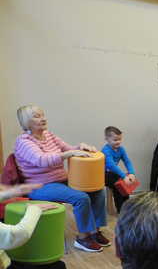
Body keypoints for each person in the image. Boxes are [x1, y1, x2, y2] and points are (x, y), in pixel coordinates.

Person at [13, 105, 110, 253]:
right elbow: (41, 160)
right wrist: (70, 153)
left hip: (61, 180)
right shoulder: (24, 142)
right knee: (81, 197)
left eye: (43, 115)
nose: (43, 118)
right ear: (26, 122)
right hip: (40, 185)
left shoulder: (50, 136)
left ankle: (95, 232)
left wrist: (80, 146)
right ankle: (83, 238)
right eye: (37, 116)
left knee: (97, 191)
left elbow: (69, 148)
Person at [102, 126, 136, 213]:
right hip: (103, 175)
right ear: (107, 139)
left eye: (119, 139)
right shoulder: (106, 150)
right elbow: (112, 166)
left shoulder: (121, 149)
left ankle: (127, 207)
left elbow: (127, 162)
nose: (118, 142)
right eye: (115, 140)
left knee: (125, 184)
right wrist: (124, 177)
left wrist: (131, 173)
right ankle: (121, 210)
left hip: (112, 173)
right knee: (118, 186)